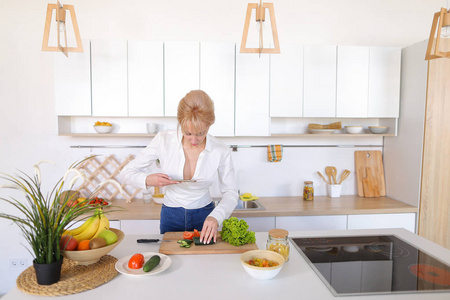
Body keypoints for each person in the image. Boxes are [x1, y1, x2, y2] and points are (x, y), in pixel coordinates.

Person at [120, 90, 238, 244]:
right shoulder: (163, 140)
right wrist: (148, 179)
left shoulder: (220, 150)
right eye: (188, 133)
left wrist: (216, 216)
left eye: (200, 133)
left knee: (205, 264)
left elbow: (231, 193)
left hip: (205, 215)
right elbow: (125, 173)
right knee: (171, 261)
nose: (194, 140)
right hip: (171, 215)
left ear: (209, 126)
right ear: (180, 123)